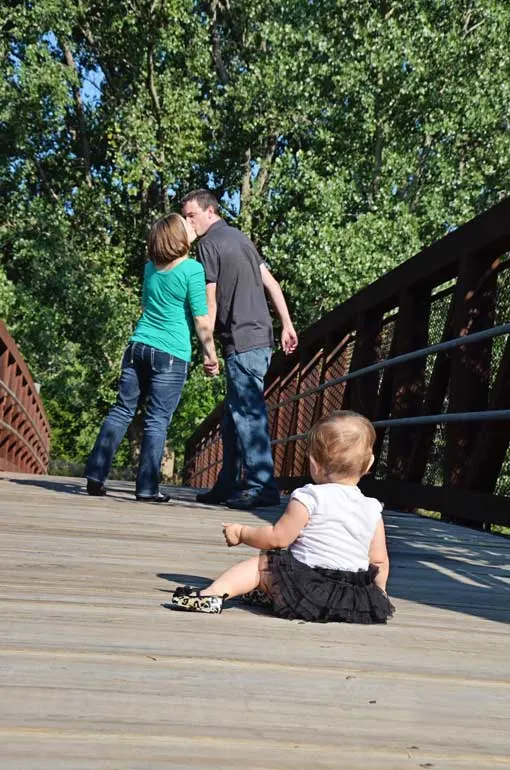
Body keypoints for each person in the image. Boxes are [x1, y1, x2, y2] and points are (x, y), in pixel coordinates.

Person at [170, 411, 394, 623]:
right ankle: (268, 594)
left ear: (314, 464)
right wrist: (377, 598)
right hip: (351, 600)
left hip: (308, 589)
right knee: (283, 573)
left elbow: (277, 538)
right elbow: (378, 561)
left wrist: (242, 533)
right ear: (369, 464)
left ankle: (211, 595)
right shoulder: (371, 507)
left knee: (263, 565)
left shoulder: (310, 496)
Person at [85, 213, 219, 503]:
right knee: (157, 420)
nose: (189, 224)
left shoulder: (149, 268)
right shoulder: (192, 270)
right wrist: (211, 355)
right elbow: (201, 319)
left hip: (138, 346)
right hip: (170, 353)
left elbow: (146, 307)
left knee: (122, 410)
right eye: (184, 224)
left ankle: (96, 473)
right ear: (176, 236)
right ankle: (146, 488)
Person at [181, 189, 298, 510]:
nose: (187, 223)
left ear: (209, 212)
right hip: (261, 337)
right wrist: (286, 324)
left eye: (190, 216)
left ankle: (263, 487)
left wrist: (208, 350)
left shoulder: (208, 245)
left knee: (248, 414)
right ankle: (227, 484)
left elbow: (211, 300)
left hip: (242, 341)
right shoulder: (241, 239)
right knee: (234, 416)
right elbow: (271, 284)